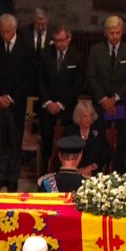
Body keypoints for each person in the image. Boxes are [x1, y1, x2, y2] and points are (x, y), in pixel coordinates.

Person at [0, 13, 35, 192]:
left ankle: (13, 179)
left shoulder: (26, 48)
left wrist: (11, 98)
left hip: (16, 105)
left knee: (15, 143)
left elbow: (28, 78)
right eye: (2, 31)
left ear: (14, 30)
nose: (5, 35)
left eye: (8, 31)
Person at [88, 15, 126, 172]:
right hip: (101, 105)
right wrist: (104, 99)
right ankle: (99, 171)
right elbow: (91, 77)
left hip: (121, 104)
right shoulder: (96, 50)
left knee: (121, 141)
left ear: (122, 31)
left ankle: (118, 172)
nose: (115, 36)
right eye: (111, 33)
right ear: (105, 33)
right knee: (99, 138)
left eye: (117, 32)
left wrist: (115, 99)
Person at [37, 24, 83, 170]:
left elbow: (77, 84)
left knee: (66, 146)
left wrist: (61, 103)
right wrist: (49, 102)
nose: (59, 44)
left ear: (69, 38)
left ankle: (63, 175)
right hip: (47, 108)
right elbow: (39, 80)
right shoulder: (45, 54)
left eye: (62, 40)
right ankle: (44, 175)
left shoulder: (77, 56)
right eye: (56, 40)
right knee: (46, 145)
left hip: (67, 110)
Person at [66, 100, 112, 177]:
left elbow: (106, 154)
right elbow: (65, 154)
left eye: (90, 116)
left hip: (93, 172)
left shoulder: (98, 131)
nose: (89, 119)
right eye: (85, 116)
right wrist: (78, 170)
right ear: (78, 117)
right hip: (74, 172)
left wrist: (91, 167)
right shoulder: (70, 131)